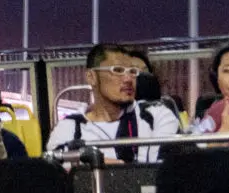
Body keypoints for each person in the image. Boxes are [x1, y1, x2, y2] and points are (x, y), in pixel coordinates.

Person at [46, 43, 180, 162]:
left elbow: (161, 170)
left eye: (132, 72)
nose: (128, 79)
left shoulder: (157, 115)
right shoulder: (70, 127)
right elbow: (56, 167)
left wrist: (92, 162)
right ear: (91, 77)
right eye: (117, 70)